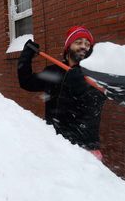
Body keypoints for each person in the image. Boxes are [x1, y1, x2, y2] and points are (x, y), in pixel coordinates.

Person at [17, 26, 106, 160]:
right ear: (68, 47)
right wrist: (26, 56)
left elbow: (95, 105)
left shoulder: (94, 75)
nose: (84, 46)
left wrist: (81, 86)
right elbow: (26, 82)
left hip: (84, 150)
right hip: (54, 144)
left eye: (87, 44)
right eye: (79, 42)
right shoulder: (54, 71)